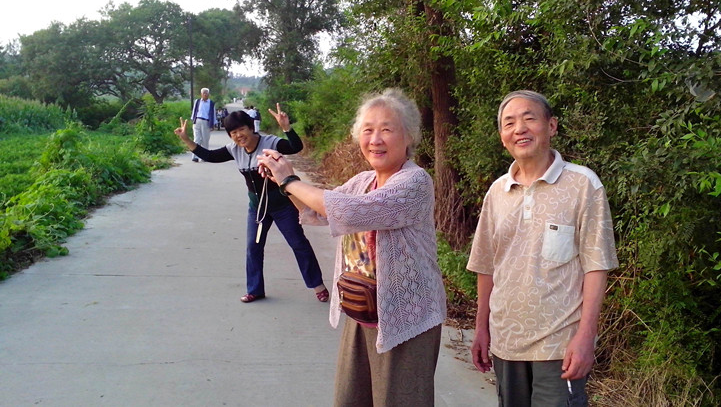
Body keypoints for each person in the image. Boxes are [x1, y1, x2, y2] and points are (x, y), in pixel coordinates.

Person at [258, 89, 447, 406]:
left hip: (407, 317)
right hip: (361, 310)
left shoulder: (414, 182)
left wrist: (291, 181)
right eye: (368, 130)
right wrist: (283, 182)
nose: (375, 139)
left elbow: (348, 212)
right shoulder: (362, 181)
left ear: (409, 136)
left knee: (399, 400)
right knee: (352, 398)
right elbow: (321, 211)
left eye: (387, 129)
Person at [467, 90, 618, 407]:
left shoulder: (583, 184)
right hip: (506, 343)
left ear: (551, 126)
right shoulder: (497, 192)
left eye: (529, 118)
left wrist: (586, 336)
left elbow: (596, 265)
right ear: (502, 137)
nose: (519, 129)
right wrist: (481, 328)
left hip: (560, 347)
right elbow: (486, 266)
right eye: (509, 123)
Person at [174, 104, 329, 304]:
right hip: (257, 208)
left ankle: (318, 286)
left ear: (251, 127)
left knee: (298, 244)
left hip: (283, 206)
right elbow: (210, 156)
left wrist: (286, 128)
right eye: (233, 132)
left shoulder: (270, 143)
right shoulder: (234, 149)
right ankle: (255, 290)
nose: (239, 135)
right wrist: (186, 139)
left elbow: (295, 147)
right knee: (253, 247)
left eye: (242, 129)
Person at [190, 88, 216, 162]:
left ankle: (204, 156)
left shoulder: (211, 103)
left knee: (205, 140)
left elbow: (213, 114)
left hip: (206, 122)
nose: (205, 94)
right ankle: (195, 157)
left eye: (206, 93)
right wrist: (193, 120)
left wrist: (213, 124)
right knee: (197, 139)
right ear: (201, 94)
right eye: (204, 93)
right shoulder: (197, 101)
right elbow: (194, 110)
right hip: (197, 120)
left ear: (208, 94)